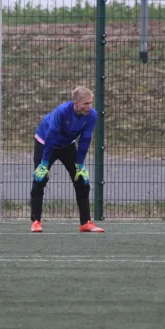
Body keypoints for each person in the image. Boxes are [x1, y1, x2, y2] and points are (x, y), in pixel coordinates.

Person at [30, 87, 104, 233]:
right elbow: (51, 136)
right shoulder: (62, 111)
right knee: (40, 179)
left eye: (90, 103)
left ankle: (85, 223)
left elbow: (85, 139)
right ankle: (36, 221)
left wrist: (80, 164)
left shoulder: (92, 115)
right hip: (45, 142)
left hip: (67, 145)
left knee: (82, 181)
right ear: (75, 103)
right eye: (85, 104)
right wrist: (44, 163)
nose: (89, 107)